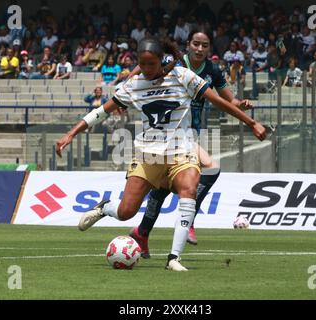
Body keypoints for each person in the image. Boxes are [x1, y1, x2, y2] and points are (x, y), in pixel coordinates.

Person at [56, 37, 267, 271]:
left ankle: (173, 258)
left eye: (151, 64)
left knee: (188, 190)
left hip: (182, 150)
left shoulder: (182, 76)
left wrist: (251, 123)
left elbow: (218, 101)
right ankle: (105, 207)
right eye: (142, 64)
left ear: (161, 61)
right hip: (148, 155)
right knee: (126, 212)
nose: (146, 70)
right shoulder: (133, 85)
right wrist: (71, 134)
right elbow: (101, 112)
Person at [125, 30, 260, 257]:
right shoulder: (175, 63)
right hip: (166, 134)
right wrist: (129, 82)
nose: (199, 48)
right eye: (196, 44)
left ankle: (143, 232)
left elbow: (229, 99)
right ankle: (188, 216)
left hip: (188, 134)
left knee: (163, 188)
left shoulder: (212, 70)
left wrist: (241, 105)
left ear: (209, 49)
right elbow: (147, 66)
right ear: (188, 45)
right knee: (210, 167)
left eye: (204, 45)